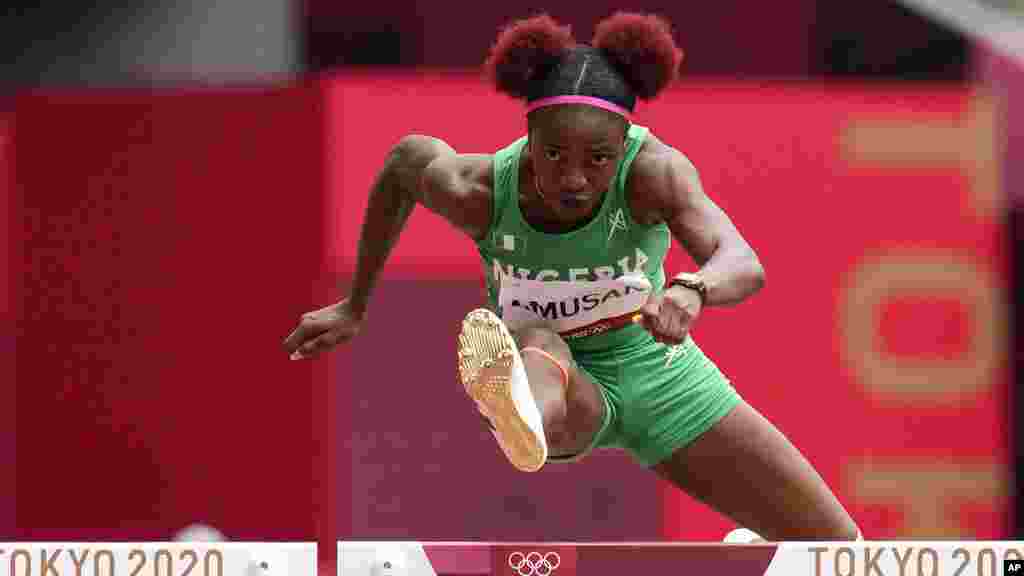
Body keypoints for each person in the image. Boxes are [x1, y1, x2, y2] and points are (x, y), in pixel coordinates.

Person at [283, 12, 862, 542]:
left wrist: (694, 288)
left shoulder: (654, 174)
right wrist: (355, 303)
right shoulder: (482, 191)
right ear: (528, 138)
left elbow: (742, 259)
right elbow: (404, 164)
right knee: (538, 341)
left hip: (661, 378)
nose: (574, 179)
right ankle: (522, 414)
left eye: (598, 159)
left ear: (622, 149)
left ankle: (748, 553)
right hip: (561, 386)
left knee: (842, 550)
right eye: (554, 154)